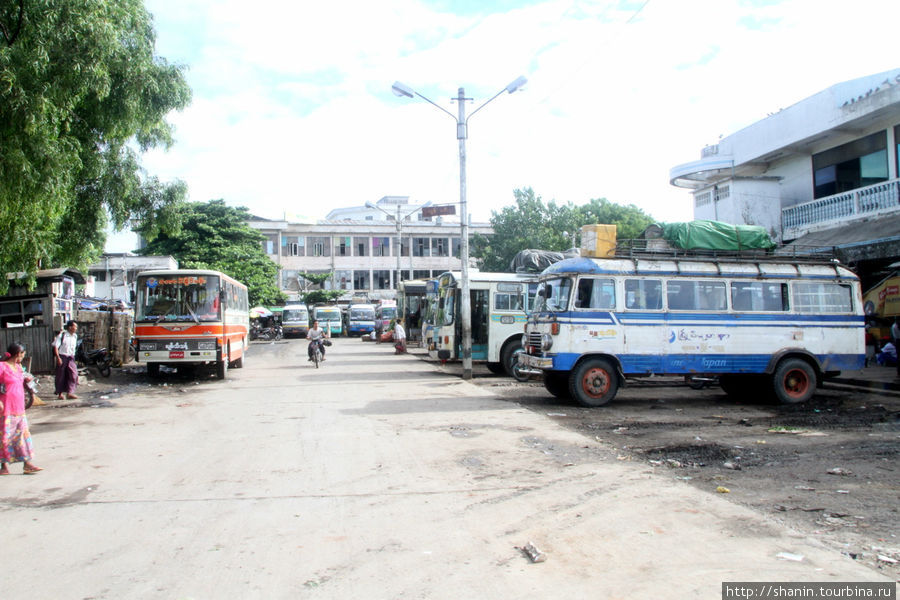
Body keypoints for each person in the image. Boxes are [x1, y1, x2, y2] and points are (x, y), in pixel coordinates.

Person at [0, 342, 42, 475]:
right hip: (5, 407)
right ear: (18, 354)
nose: (23, 356)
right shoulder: (2, 366)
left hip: (19, 407)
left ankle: (27, 463)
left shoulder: (18, 367)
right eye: (23, 354)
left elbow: (22, 381)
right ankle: (4, 466)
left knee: (22, 435)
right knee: (5, 436)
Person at [52, 320, 79, 400]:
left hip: (71, 357)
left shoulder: (75, 336)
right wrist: (58, 358)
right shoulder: (62, 335)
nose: (76, 328)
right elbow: (56, 347)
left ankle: (70, 392)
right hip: (62, 356)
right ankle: (60, 393)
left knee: (73, 375)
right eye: (75, 326)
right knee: (61, 375)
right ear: (70, 327)